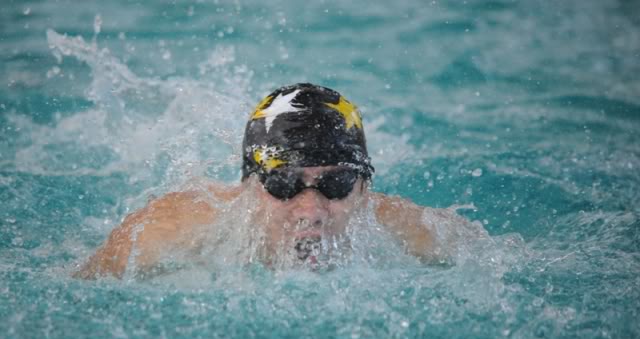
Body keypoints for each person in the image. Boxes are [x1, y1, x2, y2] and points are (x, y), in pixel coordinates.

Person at [75, 83, 460, 279]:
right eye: (283, 185)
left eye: (337, 183)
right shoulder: (166, 231)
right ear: (248, 187)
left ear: (364, 190)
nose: (310, 210)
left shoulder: (415, 231)